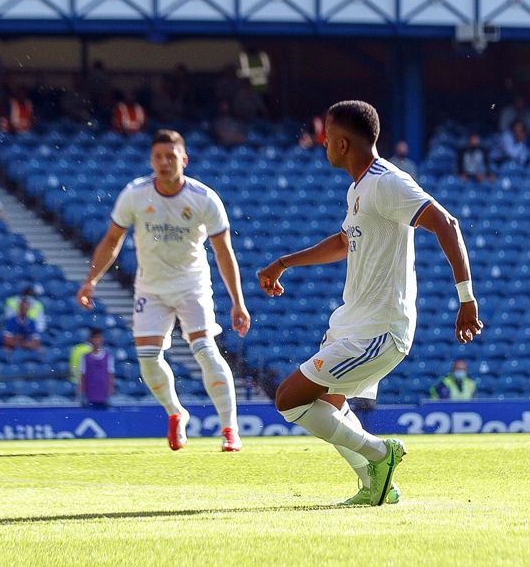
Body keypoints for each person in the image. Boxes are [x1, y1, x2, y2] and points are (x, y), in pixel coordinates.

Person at [256, 100, 482, 506]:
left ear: (342, 143)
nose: (322, 142)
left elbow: (446, 223)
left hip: (379, 330)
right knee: (326, 405)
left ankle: (381, 453)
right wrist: (285, 262)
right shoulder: (358, 188)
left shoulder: (387, 181)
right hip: (353, 323)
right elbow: (345, 242)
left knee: (289, 399)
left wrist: (466, 298)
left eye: (326, 135)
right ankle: (376, 485)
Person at [78, 129, 251, 453]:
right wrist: (92, 280)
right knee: (147, 359)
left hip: (192, 285)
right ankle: (175, 413)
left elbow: (224, 252)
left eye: (171, 156)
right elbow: (112, 240)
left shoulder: (203, 198)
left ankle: (229, 428)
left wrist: (237, 302)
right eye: (158, 156)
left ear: (183, 160)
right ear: (151, 160)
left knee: (205, 350)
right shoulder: (135, 194)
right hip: (151, 288)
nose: (164, 162)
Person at [79, 328, 114, 409]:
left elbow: (111, 375)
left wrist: (110, 392)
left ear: (102, 340)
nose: (96, 341)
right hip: (89, 395)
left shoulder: (108, 356)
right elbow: (82, 377)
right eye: (94, 338)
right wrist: (82, 394)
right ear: (90, 340)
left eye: (98, 338)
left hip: (104, 394)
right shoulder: (84, 357)